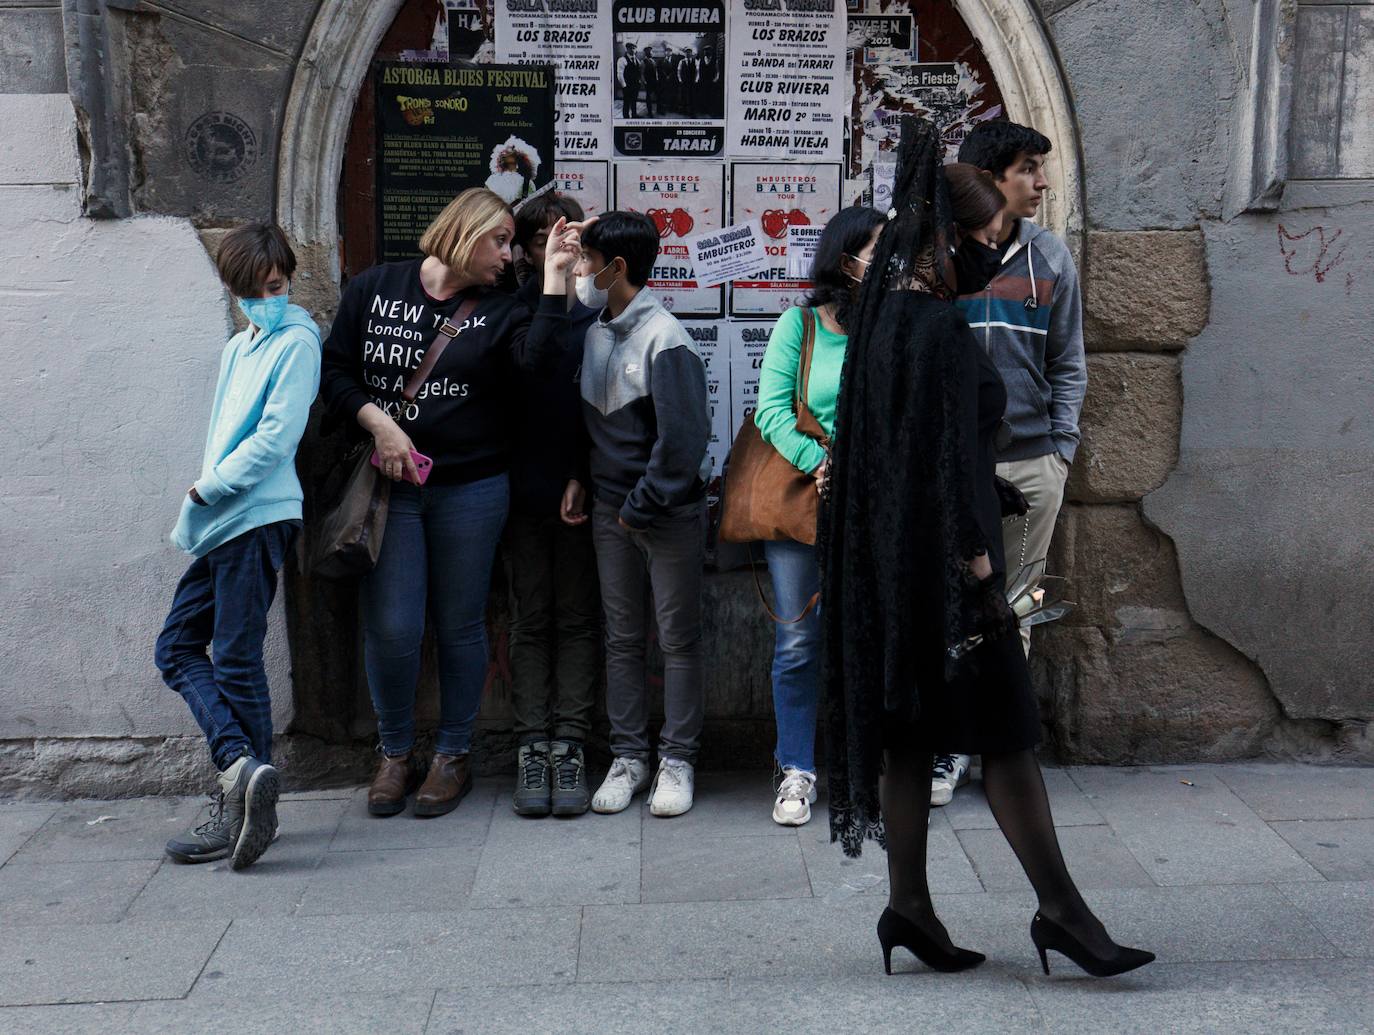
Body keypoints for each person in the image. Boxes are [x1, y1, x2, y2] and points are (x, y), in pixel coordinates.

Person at [820, 118, 1152, 979]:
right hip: (951, 574)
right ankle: (1063, 914)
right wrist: (976, 561)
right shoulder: (932, 329)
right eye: (988, 237)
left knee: (909, 734)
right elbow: (943, 464)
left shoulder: (886, 319)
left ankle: (910, 908)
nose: (995, 253)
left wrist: (990, 491)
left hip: (897, 576)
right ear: (952, 236)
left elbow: (901, 453)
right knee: (1005, 732)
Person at [320, 187, 560, 820]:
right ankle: (394, 752)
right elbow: (337, 371)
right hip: (388, 489)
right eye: (500, 241)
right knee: (394, 627)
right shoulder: (375, 288)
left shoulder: (504, 309)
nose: (509, 256)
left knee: (459, 625)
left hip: (472, 489)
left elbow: (542, 369)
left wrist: (556, 283)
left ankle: (453, 754)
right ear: (464, 233)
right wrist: (382, 426)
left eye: (513, 244)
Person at [929, 121, 1087, 808]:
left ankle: (990, 743)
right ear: (992, 177)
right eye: (1028, 169)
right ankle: (943, 740)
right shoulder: (941, 257)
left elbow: (1069, 361)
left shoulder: (1050, 255)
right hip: (947, 473)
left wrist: (1060, 450)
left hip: (1030, 465)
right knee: (944, 603)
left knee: (1014, 607)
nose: (1042, 183)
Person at [155, 224, 321, 869]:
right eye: (253, 294)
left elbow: (277, 438)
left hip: (254, 513)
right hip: (224, 518)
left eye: (276, 288)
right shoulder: (239, 347)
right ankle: (243, 770)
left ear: (289, 278)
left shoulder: (298, 341)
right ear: (235, 293)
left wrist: (207, 488)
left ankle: (241, 799)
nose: (266, 301)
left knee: (233, 656)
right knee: (178, 648)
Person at [553, 211, 711, 819]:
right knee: (621, 639)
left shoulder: (667, 338)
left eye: (588, 262)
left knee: (678, 639)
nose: (581, 271)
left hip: (663, 515)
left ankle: (678, 759)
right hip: (609, 511)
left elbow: (684, 441)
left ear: (618, 268)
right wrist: (578, 479)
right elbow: (584, 421)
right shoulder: (594, 331)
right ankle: (629, 757)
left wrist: (640, 507)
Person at [753, 206, 885, 827]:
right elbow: (771, 411)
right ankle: (796, 768)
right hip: (806, 503)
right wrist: (821, 463)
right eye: (875, 250)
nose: (886, 262)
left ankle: (867, 768)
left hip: (878, 506)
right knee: (800, 639)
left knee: (872, 636)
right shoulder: (798, 324)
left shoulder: (895, 325)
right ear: (844, 257)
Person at [505, 193, 602, 817]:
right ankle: (530, 746)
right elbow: (531, 364)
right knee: (529, 618)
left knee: (576, 617)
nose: (555, 251)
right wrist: (551, 284)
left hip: (574, 486)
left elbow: (598, 411)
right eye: (542, 241)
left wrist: (581, 474)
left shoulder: (595, 318)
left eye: (565, 241)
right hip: (516, 489)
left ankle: (569, 744)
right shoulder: (507, 311)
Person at [617, 42, 641, 119]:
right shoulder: (622, 59)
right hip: (627, 85)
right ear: (627, 49)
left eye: (634, 48)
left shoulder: (637, 60)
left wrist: (639, 81)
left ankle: (634, 115)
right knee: (627, 102)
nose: (633, 50)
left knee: (634, 101)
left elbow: (638, 72)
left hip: (635, 85)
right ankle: (626, 117)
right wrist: (624, 86)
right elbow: (620, 74)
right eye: (631, 48)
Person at [677, 48, 698, 118]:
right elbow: (678, 71)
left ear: (691, 53)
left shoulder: (695, 61)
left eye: (689, 52)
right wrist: (680, 80)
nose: (688, 53)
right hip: (684, 81)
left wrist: (696, 80)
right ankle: (685, 111)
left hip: (692, 81)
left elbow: (697, 71)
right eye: (686, 52)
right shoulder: (681, 61)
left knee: (692, 96)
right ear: (684, 53)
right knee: (684, 96)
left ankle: (692, 112)